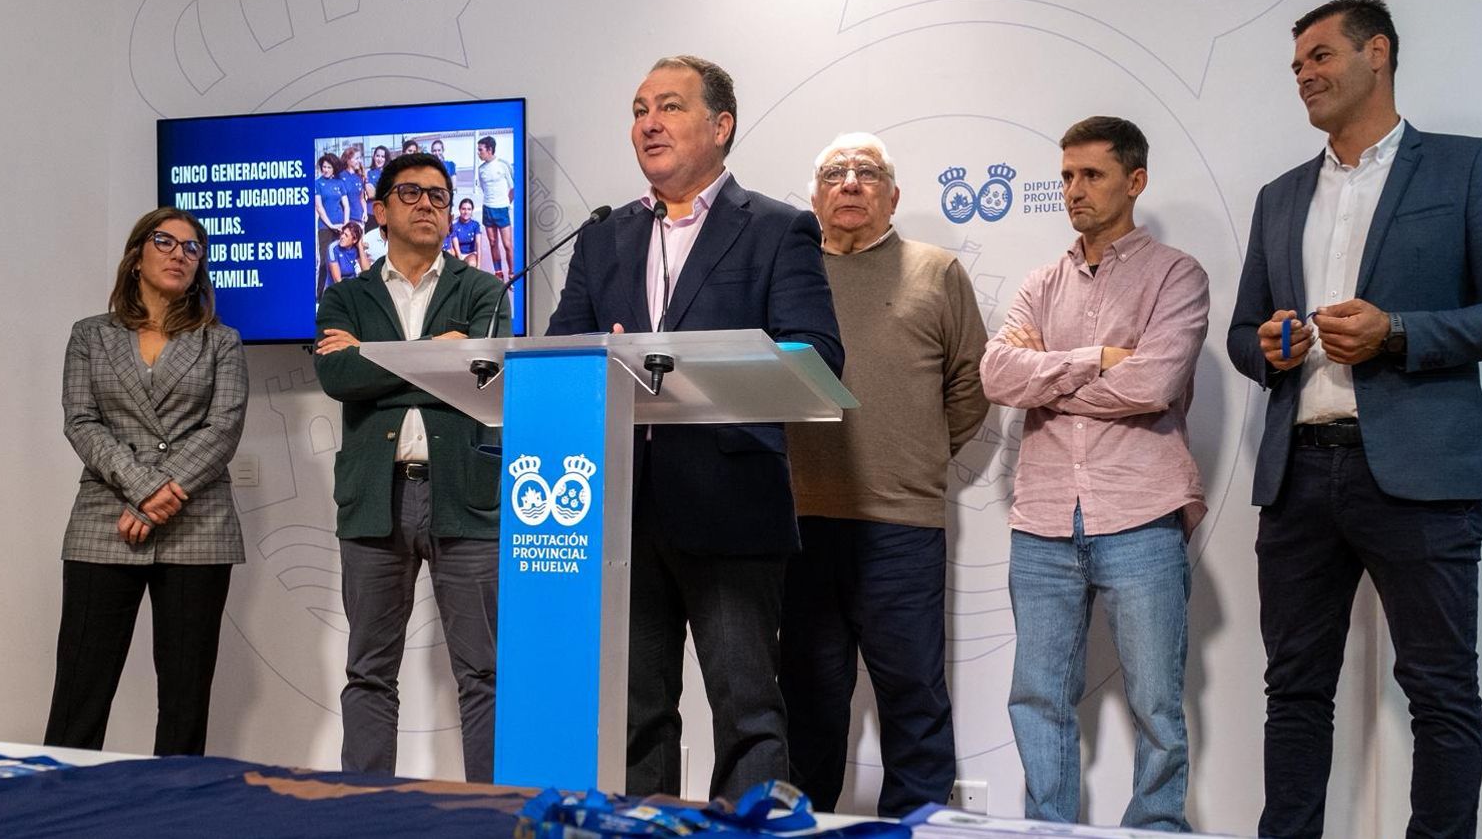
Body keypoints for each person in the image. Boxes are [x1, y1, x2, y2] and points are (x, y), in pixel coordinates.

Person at [1226, 0, 1482, 839]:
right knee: (1293, 692)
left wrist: (1397, 332)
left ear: (1379, 54)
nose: (1304, 75)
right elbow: (1241, 333)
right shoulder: (1278, 195)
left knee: (1442, 693)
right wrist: (1268, 346)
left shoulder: (1467, 167)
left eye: (1321, 56)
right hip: (1297, 476)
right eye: (1296, 64)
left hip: (1422, 475)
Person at [548, 54, 843, 802]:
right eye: (640, 108)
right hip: (621, 513)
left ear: (721, 126)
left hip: (730, 506)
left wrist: (686, 363)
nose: (648, 122)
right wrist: (604, 358)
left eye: (670, 106)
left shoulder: (778, 230)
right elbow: (560, 356)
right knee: (637, 717)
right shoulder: (602, 237)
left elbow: (818, 354)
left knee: (747, 713)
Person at [980, 117, 1208, 831]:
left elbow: (1153, 386)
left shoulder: (1177, 274)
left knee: (1157, 704)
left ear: (1134, 182)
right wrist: (1100, 358)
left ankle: (1157, 831)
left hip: (1141, 515)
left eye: (1092, 176)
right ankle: (1048, 829)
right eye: (1067, 176)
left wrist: (1046, 371)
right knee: (1038, 698)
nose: (1073, 190)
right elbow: (995, 373)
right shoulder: (1041, 282)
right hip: (1042, 520)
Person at [780, 132, 987, 816]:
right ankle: (802, 829)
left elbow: (969, 387)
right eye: (834, 172)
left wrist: (916, 456)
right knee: (807, 699)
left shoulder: (937, 271)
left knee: (914, 700)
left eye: (867, 172)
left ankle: (918, 830)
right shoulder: (787, 272)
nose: (849, 183)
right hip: (800, 523)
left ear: (893, 195)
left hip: (902, 524)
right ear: (813, 195)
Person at [313, 151, 506, 781]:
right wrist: (433, 356)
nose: (428, 204)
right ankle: (366, 813)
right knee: (368, 672)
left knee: (484, 672)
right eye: (412, 193)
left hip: (468, 498)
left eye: (440, 197)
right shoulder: (345, 293)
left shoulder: (485, 290)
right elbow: (337, 377)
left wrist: (377, 359)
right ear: (379, 210)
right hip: (374, 498)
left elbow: (481, 381)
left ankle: (492, 814)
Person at [44, 206, 248, 756]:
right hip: (103, 522)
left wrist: (158, 499)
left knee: (184, 698)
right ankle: (58, 806)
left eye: (191, 248)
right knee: (79, 692)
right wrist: (142, 490)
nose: (179, 254)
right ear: (137, 256)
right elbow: (80, 420)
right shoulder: (89, 335)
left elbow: (223, 428)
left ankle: (173, 815)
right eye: (166, 242)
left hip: (197, 527)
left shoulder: (221, 341)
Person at [475, 136, 515, 278]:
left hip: (502, 210)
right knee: (492, 242)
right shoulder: (481, 169)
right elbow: (484, 189)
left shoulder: (503, 165)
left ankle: (511, 272)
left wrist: (505, 203)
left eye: (480, 150)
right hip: (487, 209)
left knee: (507, 245)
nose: (478, 153)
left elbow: (513, 188)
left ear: (489, 150)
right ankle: (499, 273)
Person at [314, 153, 350, 297]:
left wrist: (345, 225)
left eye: (329, 167)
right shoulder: (317, 183)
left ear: (334, 168)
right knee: (324, 262)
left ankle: (338, 293)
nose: (326, 170)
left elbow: (346, 206)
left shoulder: (340, 183)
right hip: (325, 227)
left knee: (340, 260)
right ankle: (319, 296)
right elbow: (319, 207)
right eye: (324, 167)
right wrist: (331, 225)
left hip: (341, 226)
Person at [446, 198, 481, 269]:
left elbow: (478, 245)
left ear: (472, 211)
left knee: (472, 263)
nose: (466, 212)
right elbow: (456, 246)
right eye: (463, 209)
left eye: (469, 209)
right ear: (459, 210)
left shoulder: (475, 224)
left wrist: (479, 265)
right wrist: (460, 262)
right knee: (449, 254)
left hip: (470, 254)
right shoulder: (454, 224)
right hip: (457, 253)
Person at [365, 145, 390, 231]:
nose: (379, 159)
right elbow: (370, 194)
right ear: (374, 157)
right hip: (370, 212)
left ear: (386, 159)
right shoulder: (367, 172)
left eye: (383, 156)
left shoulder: (389, 173)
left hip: (384, 212)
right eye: (377, 156)